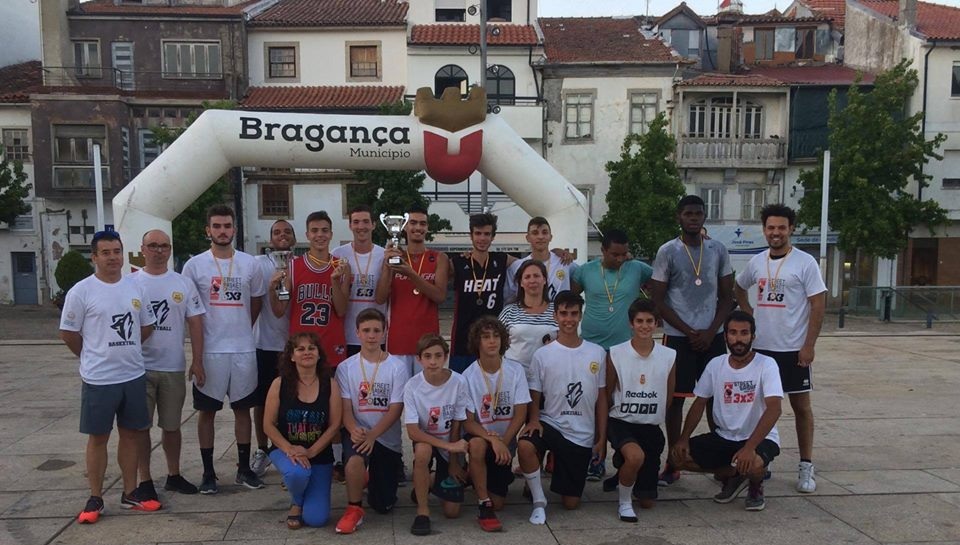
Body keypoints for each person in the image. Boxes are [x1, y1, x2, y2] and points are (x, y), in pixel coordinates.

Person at [59, 229, 159, 523]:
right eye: (106, 252)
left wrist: (125, 350)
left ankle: (130, 493)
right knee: (98, 438)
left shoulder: (134, 287)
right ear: (94, 257)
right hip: (99, 379)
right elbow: (68, 333)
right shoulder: (82, 291)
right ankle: (95, 497)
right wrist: (91, 354)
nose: (112, 257)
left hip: (132, 375)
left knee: (131, 435)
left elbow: (146, 325)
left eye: (116, 251)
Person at [734, 204, 826, 493]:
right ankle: (763, 459)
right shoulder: (757, 262)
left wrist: (808, 345)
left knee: (800, 407)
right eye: (771, 227)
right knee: (759, 408)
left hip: (792, 349)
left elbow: (818, 303)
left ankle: (806, 465)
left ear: (791, 229)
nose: (776, 233)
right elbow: (739, 287)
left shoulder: (805, 262)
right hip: (760, 349)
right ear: (764, 230)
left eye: (781, 227)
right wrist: (749, 312)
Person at [182, 204, 267, 493]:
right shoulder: (193, 266)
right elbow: (191, 313)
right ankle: (208, 473)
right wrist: (196, 358)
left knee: (243, 411)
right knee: (207, 412)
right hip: (210, 352)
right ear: (208, 230)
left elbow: (255, 304)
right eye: (216, 226)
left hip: (243, 349)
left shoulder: (250, 264)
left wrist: (241, 327)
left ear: (234, 229)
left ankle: (244, 469)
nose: (222, 231)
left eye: (227, 226)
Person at [650, 195, 733, 486]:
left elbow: (728, 298)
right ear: (679, 217)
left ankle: (720, 461)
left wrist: (711, 331)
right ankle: (674, 462)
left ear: (704, 217)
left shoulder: (718, 250)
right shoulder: (667, 252)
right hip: (677, 338)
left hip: (713, 337)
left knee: (716, 402)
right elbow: (657, 300)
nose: (694, 218)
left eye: (698, 213)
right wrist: (688, 330)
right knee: (675, 401)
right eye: (688, 213)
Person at [670, 311, 783, 511]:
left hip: (758, 438)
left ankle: (755, 485)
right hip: (725, 436)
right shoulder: (716, 364)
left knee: (754, 464)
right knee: (677, 458)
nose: (738, 339)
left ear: (753, 336)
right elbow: (699, 403)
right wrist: (684, 438)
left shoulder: (767, 364)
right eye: (733, 333)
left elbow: (774, 409)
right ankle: (735, 475)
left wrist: (749, 447)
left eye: (744, 333)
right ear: (725, 337)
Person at [518, 291, 607, 525]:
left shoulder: (596, 352)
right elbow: (535, 394)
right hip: (551, 423)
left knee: (571, 503)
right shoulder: (542, 354)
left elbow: (601, 398)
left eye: (574, 314)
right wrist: (534, 419)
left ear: (580, 316)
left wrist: (601, 438)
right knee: (526, 445)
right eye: (564, 313)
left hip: (581, 434)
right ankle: (539, 500)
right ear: (555, 315)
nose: (569, 319)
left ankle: (561, 473)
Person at [571, 229, 652, 480]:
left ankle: (623, 455)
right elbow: (571, 302)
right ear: (603, 251)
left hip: (624, 349)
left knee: (620, 403)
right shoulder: (584, 271)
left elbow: (659, 286)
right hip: (591, 347)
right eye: (615, 254)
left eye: (624, 253)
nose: (620, 259)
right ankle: (595, 457)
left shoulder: (637, 268)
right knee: (593, 403)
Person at [131, 230, 205, 499]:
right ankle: (145, 479)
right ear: (143, 249)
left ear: (170, 249)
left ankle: (173, 475)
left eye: (163, 246)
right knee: (140, 427)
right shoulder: (131, 282)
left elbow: (196, 323)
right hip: (139, 368)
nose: (158, 250)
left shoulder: (182, 283)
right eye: (153, 245)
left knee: (172, 426)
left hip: (172, 366)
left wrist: (197, 361)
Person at [334, 309, 410, 534]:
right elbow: (345, 408)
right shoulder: (346, 367)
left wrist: (374, 435)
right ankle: (354, 509)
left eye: (377, 330)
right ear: (357, 332)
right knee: (355, 460)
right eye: (366, 330)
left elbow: (396, 409)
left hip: (384, 436)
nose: (371, 335)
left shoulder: (397, 366)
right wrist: (352, 428)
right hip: (358, 432)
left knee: (383, 505)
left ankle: (370, 477)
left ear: (385, 332)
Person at [602, 299, 675, 522]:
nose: (645, 326)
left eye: (649, 321)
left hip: (650, 425)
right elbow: (607, 392)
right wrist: (602, 432)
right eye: (639, 321)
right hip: (622, 421)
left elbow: (669, 395)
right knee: (635, 456)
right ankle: (624, 503)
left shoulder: (669, 355)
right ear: (631, 324)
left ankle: (623, 470)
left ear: (656, 323)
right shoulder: (616, 353)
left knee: (647, 502)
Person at [263, 332, 342, 529]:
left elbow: (335, 424)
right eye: (300, 349)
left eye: (311, 348)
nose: (306, 352)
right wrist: (290, 449)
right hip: (286, 451)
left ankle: (306, 494)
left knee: (317, 520)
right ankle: (297, 502)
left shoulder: (330, 384)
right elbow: (268, 425)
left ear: (319, 354)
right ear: (291, 356)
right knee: (297, 474)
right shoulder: (279, 384)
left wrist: (312, 451)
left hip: (320, 455)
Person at [462, 316, 530, 532]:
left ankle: (471, 475)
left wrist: (504, 443)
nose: (492, 341)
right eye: (485, 337)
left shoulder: (515, 370)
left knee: (501, 503)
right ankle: (484, 504)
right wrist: (492, 440)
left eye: (496, 336)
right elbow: (468, 422)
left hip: (505, 441)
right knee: (477, 446)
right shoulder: (468, 376)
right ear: (477, 342)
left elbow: (520, 414)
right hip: (483, 438)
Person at [403, 334, 470, 535]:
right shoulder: (412, 386)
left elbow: (457, 422)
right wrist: (449, 447)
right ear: (419, 359)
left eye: (438, 356)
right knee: (422, 452)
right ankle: (423, 511)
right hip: (428, 441)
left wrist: (453, 461)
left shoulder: (459, 381)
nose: (433, 362)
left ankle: (429, 480)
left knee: (452, 512)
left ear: (446, 357)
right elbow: (413, 431)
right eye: (428, 356)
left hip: (450, 441)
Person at [271, 211, 350, 368]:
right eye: (314, 230)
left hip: (331, 344)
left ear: (331, 234)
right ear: (307, 235)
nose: (320, 235)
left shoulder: (342, 267)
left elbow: (341, 311)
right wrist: (271, 290)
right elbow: (279, 310)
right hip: (301, 348)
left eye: (324, 230)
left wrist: (334, 281)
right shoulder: (292, 266)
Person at [376, 205, 448, 375]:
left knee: (428, 395)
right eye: (413, 223)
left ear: (427, 228)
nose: (418, 228)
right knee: (399, 397)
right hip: (398, 341)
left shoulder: (439, 258)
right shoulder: (395, 256)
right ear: (404, 227)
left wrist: (411, 274)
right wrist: (387, 266)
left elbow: (440, 296)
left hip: (428, 344)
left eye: (422, 224)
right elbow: (380, 298)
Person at [251, 219, 296, 478]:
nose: (282, 235)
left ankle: (289, 450)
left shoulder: (301, 264)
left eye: (287, 232)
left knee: (292, 402)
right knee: (262, 401)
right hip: (265, 343)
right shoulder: (259, 265)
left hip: (294, 346)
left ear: (294, 237)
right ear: (270, 239)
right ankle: (262, 449)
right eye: (277, 232)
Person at [449, 213, 517, 372]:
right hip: (463, 339)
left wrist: (555, 252)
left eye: (487, 234)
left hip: (493, 338)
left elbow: (532, 262)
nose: (482, 238)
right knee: (462, 388)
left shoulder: (501, 259)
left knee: (492, 388)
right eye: (478, 233)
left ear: (493, 237)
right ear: (470, 235)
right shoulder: (457, 262)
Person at [332, 204, 387, 356]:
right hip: (347, 334)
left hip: (376, 335)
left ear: (373, 225)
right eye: (356, 222)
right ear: (350, 225)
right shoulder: (337, 255)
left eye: (365, 221)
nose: (361, 226)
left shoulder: (384, 255)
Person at [498, 260, 557, 384]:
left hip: (548, 378)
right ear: (521, 283)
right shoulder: (509, 311)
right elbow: (498, 344)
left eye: (536, 276)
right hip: (514, 379)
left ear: (545, 280)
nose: (532, 281)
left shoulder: (557, 311)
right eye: (527, 277)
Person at [505, 217, 579, 303]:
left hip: (559, 315)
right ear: (528, 238)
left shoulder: (564, 262)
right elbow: (508, 297)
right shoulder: (517, 266)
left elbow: (582, 279)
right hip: (529, 315)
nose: (540, 237)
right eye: (535, 233)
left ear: (550, 237)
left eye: (544, 232)